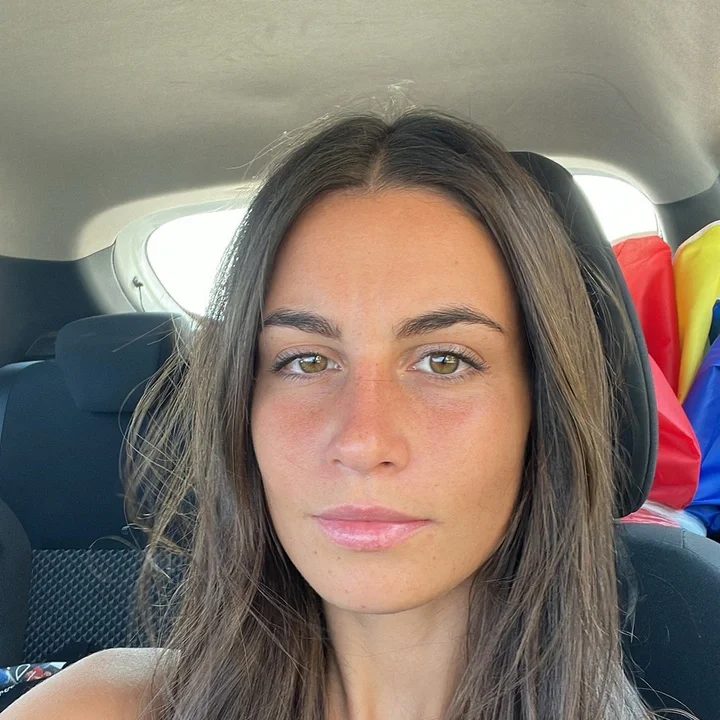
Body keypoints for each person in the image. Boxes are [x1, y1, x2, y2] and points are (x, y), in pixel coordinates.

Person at [1, 110, 692, 720]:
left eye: (444, 361)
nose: (362, 440)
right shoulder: (91, 708)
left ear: (542, 411)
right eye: (306, 361)